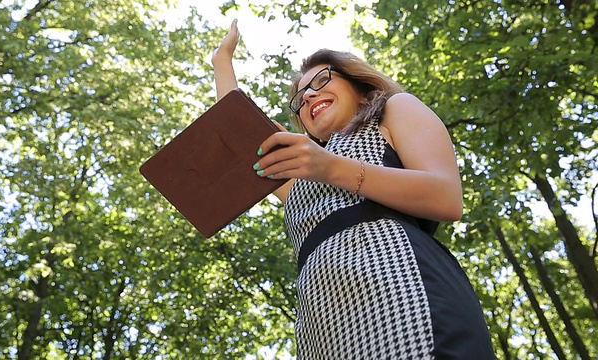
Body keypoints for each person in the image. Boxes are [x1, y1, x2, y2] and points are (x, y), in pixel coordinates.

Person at [211, 20, 496, 359]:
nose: (309, 96)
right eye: (300, 98)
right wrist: (221, 62)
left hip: (403, 292)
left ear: (358, 84)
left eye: (321, 80)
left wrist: (331, 167)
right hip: (322, 324)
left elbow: (446, 197)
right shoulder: (301, 170)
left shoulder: (394, 110)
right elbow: (238, 136)